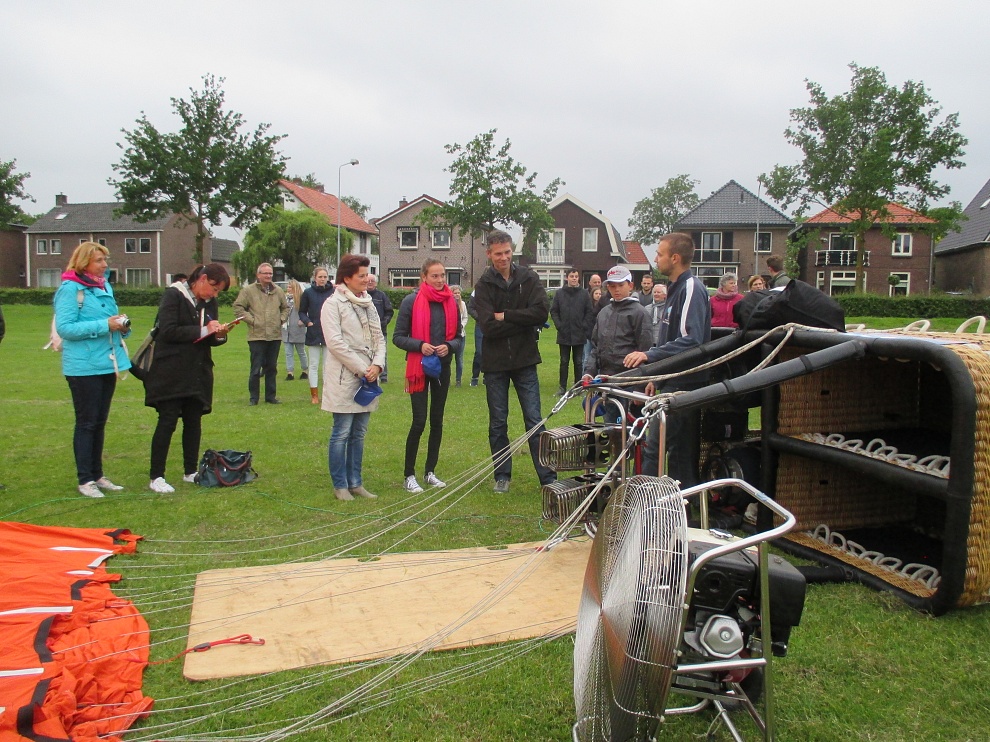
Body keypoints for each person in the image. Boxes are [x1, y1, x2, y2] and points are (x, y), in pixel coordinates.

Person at [624, 233, 711, 485]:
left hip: (686, 384)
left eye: (659, 254)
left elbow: (691, 339)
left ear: (675, 258)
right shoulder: (674, 289)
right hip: (672, 381)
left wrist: (648, 355)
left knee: (658, 447)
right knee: (675, 451)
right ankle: (677, 501)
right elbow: (670, 339)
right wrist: (658, 377)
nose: (655, 259)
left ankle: (644, 500)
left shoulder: (691, 287)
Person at [473, 230, 556, 493]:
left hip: (525, 360)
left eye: (507, 252)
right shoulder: (483, 285)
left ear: (512, 251)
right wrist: (522, 321)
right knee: (498, 422)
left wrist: (505, 315)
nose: (504, 258)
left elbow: (541, 313)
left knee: (535, 420)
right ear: (489, 254)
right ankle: (502, 475)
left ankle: (547, 477)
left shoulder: (528, 278)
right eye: (498, 253)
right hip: (495, 363)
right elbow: (487, 326)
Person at [142, 265, 232, 493]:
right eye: (213, 288)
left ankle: (190, 471)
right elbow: (168, 330)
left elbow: (208, 337)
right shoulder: (174, 295)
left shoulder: (209, 302)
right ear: (202, 279)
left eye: (218, 292)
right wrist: (202, 330)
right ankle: (156, 476)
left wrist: (219, 335)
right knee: (168, 420)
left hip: (197, 371)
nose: (214, 295)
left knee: (194, 420)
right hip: (171, 370)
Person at [54, 242, 131, 498]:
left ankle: (97, 474)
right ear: (84, 262)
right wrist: (104, 325)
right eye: (99, 260)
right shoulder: (70, 289)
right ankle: (85, 479)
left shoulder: (103, 285)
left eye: (105, 259)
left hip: (106, 362)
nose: (104, 265)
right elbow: (65, 328)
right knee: (86, 423)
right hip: (82, 366)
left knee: (99, 422)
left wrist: (121, 326)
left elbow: (110, 322)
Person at [392, 260, 464, 493]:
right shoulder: (411, 301)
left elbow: (459, 337)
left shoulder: (451, 302)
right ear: (424, 277)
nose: (440, 280)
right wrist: (420, 345)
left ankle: (430, 471)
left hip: (442, 367)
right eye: (435, 276)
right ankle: (409, 475)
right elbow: (398, 337)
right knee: (419, 421)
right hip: (419, 367)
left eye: (442, 275)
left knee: (437, 420)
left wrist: (449, 346)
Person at [320, 254, 386, 501]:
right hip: (345, 376)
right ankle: (340, 485)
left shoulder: (368, 303)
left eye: (367, 275)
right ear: (346, 278)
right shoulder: (332, 304)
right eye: (361, 275)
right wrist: (362, 369)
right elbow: (335, 343)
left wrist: (377, 365)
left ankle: (356, 483)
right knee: (342, 432)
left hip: (368, 375)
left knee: (359, 433)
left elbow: (379, 338)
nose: (366, 279)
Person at [583, 265, 653, 384]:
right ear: (608, 287)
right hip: (604, 377)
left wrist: (642, 385)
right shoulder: (603, 313)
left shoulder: (640, 313)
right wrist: (589, 372)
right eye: (612, 286)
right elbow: (595, 347)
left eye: (621, 285)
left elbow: (645, 350)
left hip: (630, 380)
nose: (616, 290)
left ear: (630, 286)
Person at [233, 263, 288, 405]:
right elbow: (238, 307)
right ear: (258, 275)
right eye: (265, 273)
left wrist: (281, 319)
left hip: (274, 335)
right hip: (256, 336)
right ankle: (254, 398)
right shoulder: (248, 291)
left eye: (270, 273)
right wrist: (252, 321)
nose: (268, 276)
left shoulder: (278, 291)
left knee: (272, 368)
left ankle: (270, 396)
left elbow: (286, 308)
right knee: (256, 369)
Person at [550, 268, 594, 395]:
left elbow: (589, 311)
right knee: (564, 361)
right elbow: (554, 311)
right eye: (572, 276)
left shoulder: (584, 294)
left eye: (576, 276)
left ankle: (578, 387)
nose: (574, 278)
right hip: (564, 333)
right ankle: (562, 387)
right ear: (567, 278)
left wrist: (583, 326)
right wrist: (559, 325)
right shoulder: (560, 294)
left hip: (579, 333)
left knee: (578, 361)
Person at [298, 267, 335, 404]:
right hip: (313, 332)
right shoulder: (308, 293)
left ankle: (326, 393)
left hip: (329, 332)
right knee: (313, 364)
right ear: (315, 278)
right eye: (320, 277)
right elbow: (302, 311)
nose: (323, 279)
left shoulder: (333, 292)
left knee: (327, 365)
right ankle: (314, 394)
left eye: (325, 277)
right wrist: (308, 322)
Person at [367, 274, 394, 382]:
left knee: (382, 353)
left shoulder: (381, 296)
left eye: (372, 281)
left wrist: (384, 322)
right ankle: (367, 373)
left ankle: (383, 376)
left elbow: (389, 311)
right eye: (368, 281)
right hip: (365, 331)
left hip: (381, 331)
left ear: (376, 283)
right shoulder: (361, 296)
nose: (370, 283)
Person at [282, 279, 309, 381]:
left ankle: (305, 370)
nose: (288, 289)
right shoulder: (285, 299)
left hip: (298, 329)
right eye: (288, 287)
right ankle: (290, 372)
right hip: (286, 329)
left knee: (301, 351)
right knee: (288, 353)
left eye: (290, 287)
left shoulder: (301, 300)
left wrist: (303, 321)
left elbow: (306, 312)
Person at [451, 285, 469, 386]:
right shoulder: (448, 304)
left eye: (458, 293)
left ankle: (458, 380)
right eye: (455, 293)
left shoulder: (462, 304)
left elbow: (465, 317)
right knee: (448, 360)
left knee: (459, 359)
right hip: (450, 336)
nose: (457, 295)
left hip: (461, 335)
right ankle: (446, 380)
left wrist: (461, 325)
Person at [467, 289, 483, 386]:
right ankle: (475, 377)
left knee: (491, 352)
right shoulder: (476, 292)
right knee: (479, 352)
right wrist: (479, 318)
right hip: (480, 325)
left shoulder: (495, 289)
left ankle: (487, 377)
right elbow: (470, 308)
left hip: (493, 324)